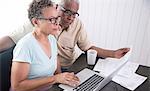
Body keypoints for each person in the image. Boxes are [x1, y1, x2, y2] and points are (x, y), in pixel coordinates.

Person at [0, 0, 129, 68]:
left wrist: (113, 54)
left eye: (74, 14)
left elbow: (88, 48)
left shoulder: (77, 24)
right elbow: (11, 38)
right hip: (48, 73)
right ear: (57, 8)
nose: (70, 18)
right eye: (67, 12)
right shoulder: (42, 23)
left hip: (70, 67)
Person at [7, 0, 79, 91]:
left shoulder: (52, 39)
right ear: (36, 22)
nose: (57, 23)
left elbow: (57, 72)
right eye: (52, 19)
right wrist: (55, 79)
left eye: (57, 18)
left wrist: (67, 79)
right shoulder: (25, 46)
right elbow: (17, 86)